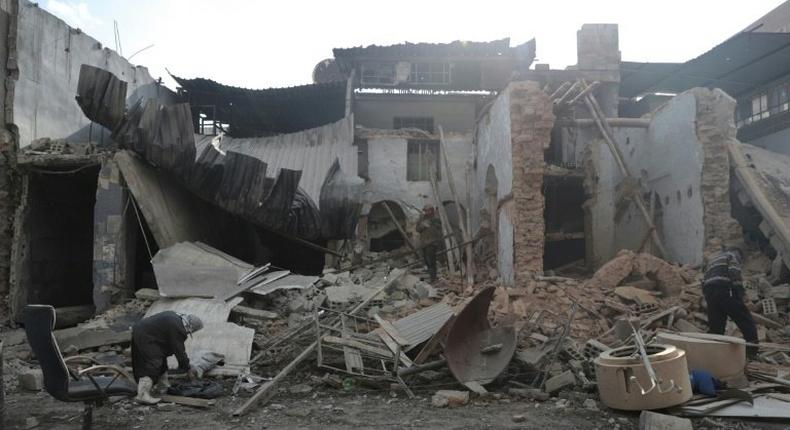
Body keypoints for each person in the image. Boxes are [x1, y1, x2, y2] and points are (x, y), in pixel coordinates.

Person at [131, 311, 204, 404]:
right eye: (191, 331)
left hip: (143, 331)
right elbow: (179, 351)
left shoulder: (176, 320)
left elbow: (171, 346)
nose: (189, 332)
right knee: (154, 363)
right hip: (146, 336)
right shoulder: (178, 327)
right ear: (190, 326)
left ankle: (163, 387)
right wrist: (188, 369)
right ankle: (142, 395)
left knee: (161, 361)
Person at [701, 246, 759, 358]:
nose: (740, 261)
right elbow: (734, 274)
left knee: (716, 326)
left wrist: (707, 295)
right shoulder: (732, 256)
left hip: (710, 292)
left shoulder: (714, 260)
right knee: (746, 321)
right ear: (739, 254)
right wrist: (741, 294)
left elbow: (703, 280)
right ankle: (752, 352)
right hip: (725, 290)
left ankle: (715, 354)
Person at [417, 205, 442, 282]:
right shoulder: (422, 219)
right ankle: (432, 276)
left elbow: (439, 227)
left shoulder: (435, 219)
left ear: (432, 211)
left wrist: (430, 223)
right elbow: (417, 229)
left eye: (428, 210)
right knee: (426, 261)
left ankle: (433, 278)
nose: (427, 212)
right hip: (424, 243)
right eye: (425, 210)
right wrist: (422, 225)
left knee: (431, 260)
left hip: (432, 243)